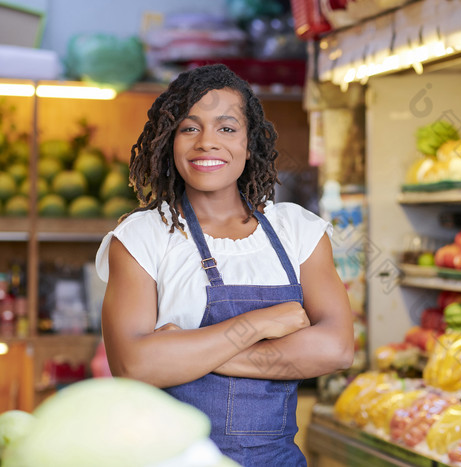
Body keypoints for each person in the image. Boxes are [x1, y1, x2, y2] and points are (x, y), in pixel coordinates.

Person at [95, 64, 355, 466]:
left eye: (227, 129)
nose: (207, 143)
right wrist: (258, 326)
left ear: (249, 144)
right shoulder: (141, 237)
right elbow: (135, 365)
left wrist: (185, 353)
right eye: (189, 128)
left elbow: (335, 350)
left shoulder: (298, 231)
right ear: (169, 141)